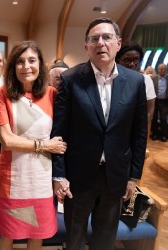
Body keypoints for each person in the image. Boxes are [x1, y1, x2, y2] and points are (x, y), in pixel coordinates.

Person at [51, 17, 147, 250]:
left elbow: (139, 133)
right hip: (78, 176)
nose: (101, 43)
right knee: (73, 237)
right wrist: (59, 176)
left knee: (105, 239)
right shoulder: (71, 79)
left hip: (115, 176)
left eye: (107, 37)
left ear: (118, 43)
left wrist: (133, 177)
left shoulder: (135, 81)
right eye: (94, 39)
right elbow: (59, 133)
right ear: (87, 47)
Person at [0, 41, 67, 250]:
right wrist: (44, 146)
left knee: (37, 234)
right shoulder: (2, 94)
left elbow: (60, 139)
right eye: (20, 62)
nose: (26, 67)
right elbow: (8, 141)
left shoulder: (52, 94)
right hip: (13, 178)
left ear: (40, 64)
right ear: (13, 67)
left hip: (41, 177)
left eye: (32, 60)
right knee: (8, 234)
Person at [115, 41, 156, 137]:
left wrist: (140, 128)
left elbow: (150, 109)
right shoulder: (112, 78)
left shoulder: (145, 79)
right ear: (118, 60)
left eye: (136, 59)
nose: (132, 64)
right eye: (127, 60)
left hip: (135, 130)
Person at [151, 63, 168, 142]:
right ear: (158, 70)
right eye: (161, 69)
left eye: (164, 69)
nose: (162, 70)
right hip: (155, 101)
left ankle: (164, 135)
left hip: (164, 102)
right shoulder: (153, 78)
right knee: (153, 118)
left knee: (163, 118)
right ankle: (155, 134)